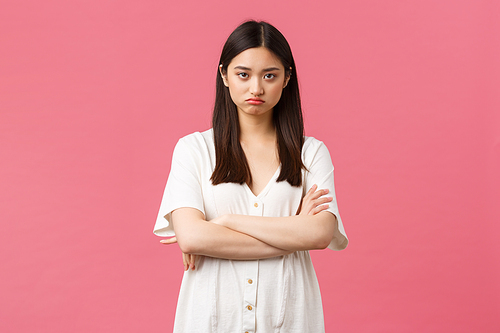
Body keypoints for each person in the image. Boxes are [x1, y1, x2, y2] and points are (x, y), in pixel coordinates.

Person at [153, 20, 348, 333]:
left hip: (289, 316)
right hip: (211, 318)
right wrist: (293, 232)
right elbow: (192, 237)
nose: (256, 88)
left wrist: (225, 223)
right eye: (243, 74)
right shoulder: (194, 150)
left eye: (269, 75)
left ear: (286, 78)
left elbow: (320, 235)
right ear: (224, 75)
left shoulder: (310, 153)